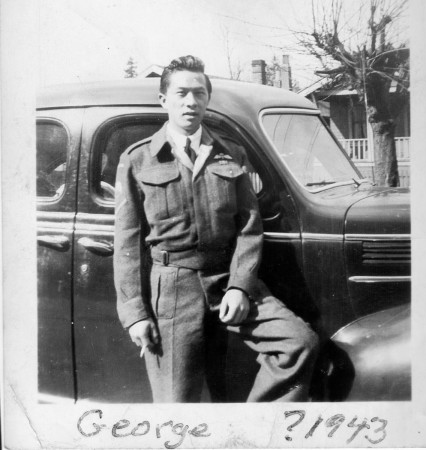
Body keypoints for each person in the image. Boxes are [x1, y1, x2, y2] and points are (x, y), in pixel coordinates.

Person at [114, 55, 319, 403]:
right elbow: (127, 243)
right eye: (181, 93)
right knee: (177, 401)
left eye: (199, 93)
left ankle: (251, 432)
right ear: (164, 100)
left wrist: (240, 286)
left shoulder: (231, 154)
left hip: (228, 278)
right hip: (173, 287)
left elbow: (250, 228)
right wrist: (135, 315)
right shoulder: (137, 160)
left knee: (299, 343)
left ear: (208, 99)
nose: (191, 102)